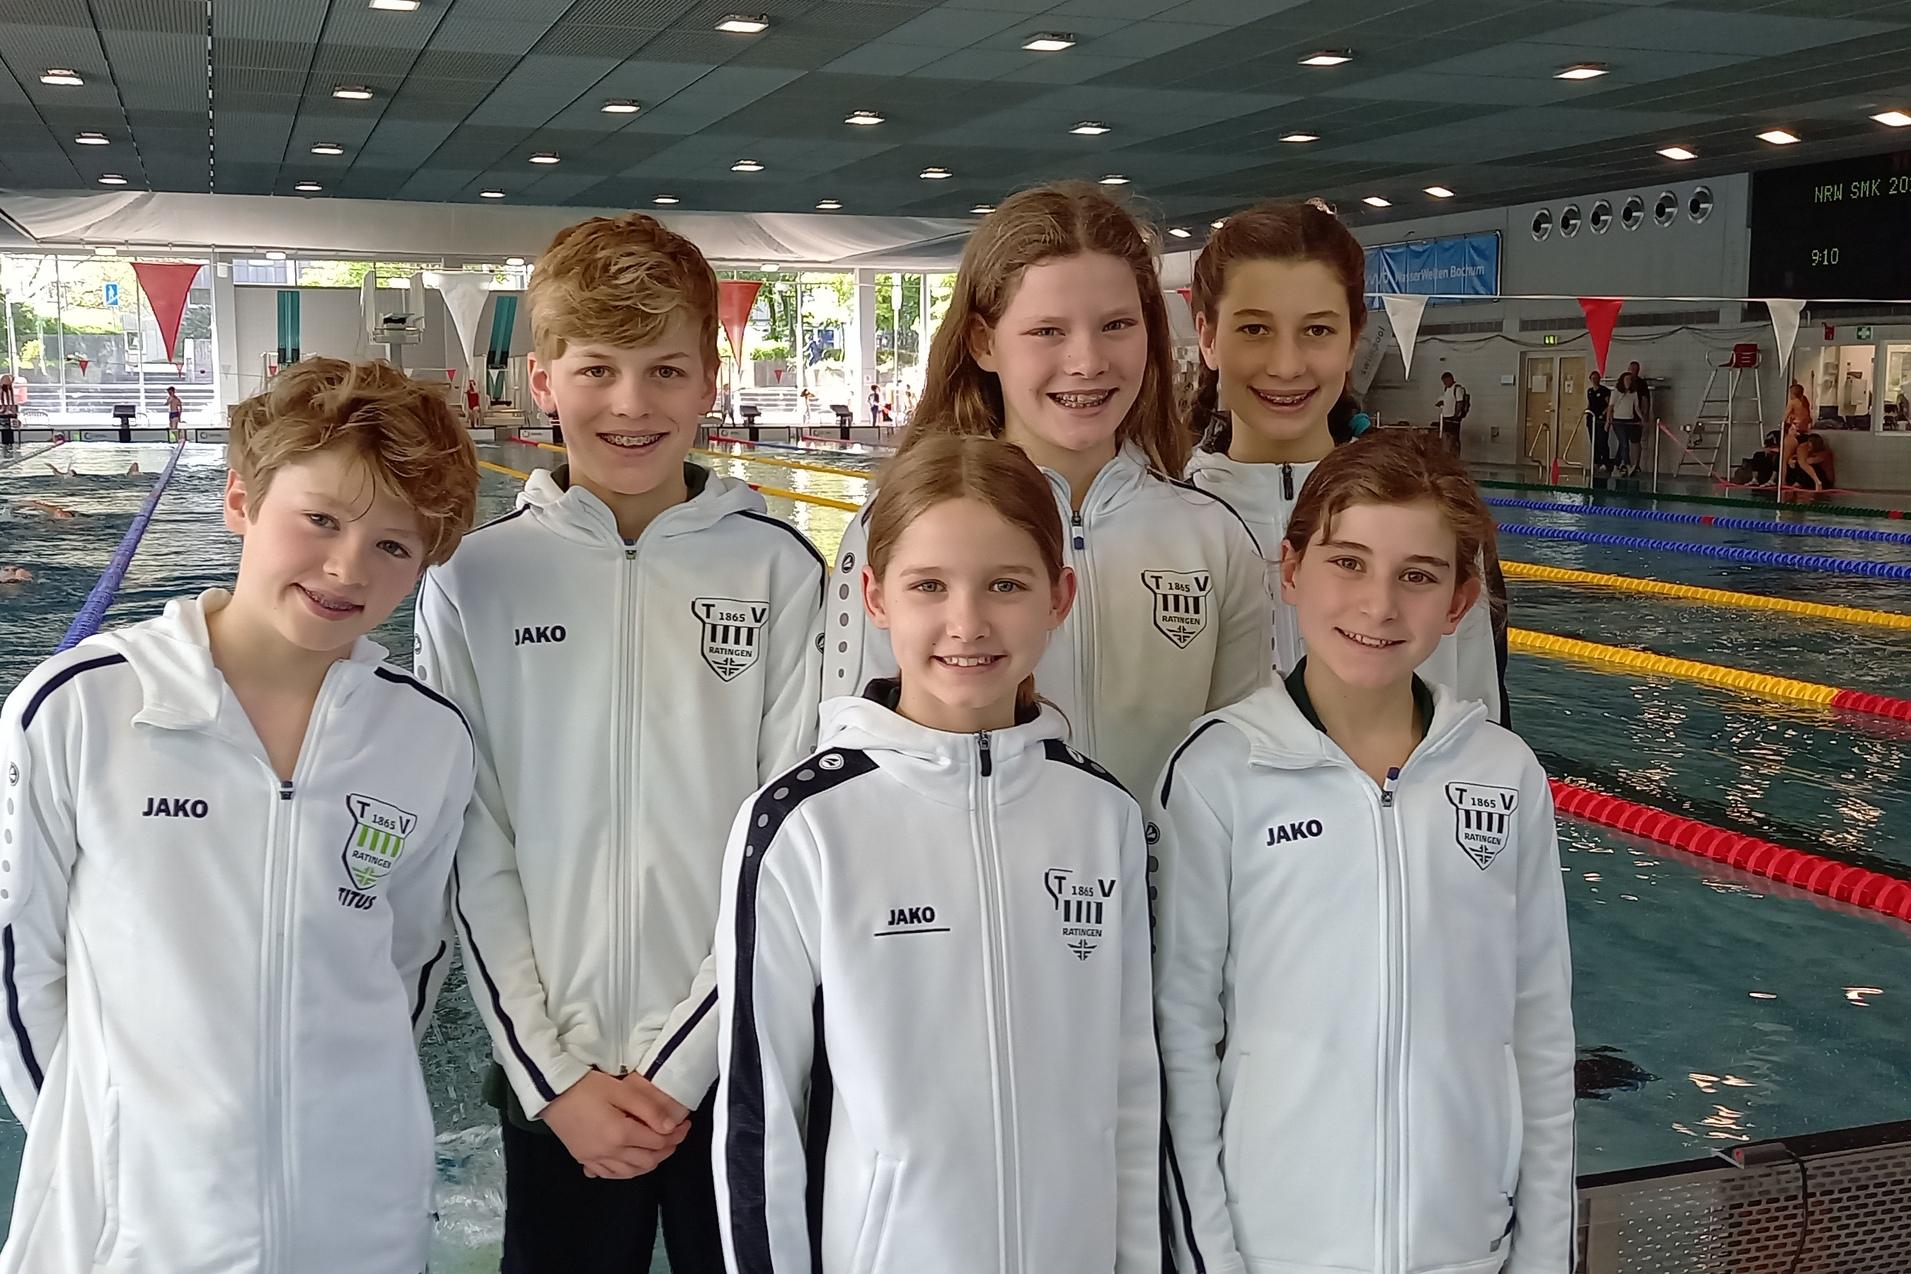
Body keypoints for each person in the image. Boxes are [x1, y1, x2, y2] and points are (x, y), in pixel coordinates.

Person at [0, 357, 481, 1272]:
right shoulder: (82, 707)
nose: (346, 567)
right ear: (240, 502)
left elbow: (408, 960)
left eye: (394, 546)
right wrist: (108, 1155)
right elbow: (18, 970)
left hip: (362, 1218)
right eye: (320, 520)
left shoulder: (426, 737)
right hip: (138, 1229)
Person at [415, 211, 825, 1274]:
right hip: (553, 1070)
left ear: (708, 381)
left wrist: (683, 1069)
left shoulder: (779, 571)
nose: (632, 404)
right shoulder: (474, 578)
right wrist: (554, 1077)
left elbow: (787, 845)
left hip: (734, 1059)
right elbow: (471, 837)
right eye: (597, 369)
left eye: (665, 370)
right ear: (542, 379)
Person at [714, 434, 1159, 1272]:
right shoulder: (805, 824)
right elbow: (758, 1113)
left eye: (1005, 585)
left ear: (1059, 597)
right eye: (928, 586)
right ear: (875, 597)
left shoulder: (1102, 816)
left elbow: (1131, 1090)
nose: (968, 623)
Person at [1153, 430, 1576, 1274]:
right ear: (1290, 570)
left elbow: (1539, 1025)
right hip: (1277, 1252)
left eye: (1416, 576)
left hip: (1464, 1247)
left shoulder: (1501, 773)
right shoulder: (1218, 773)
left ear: (1457, 603)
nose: (1378, 606)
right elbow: (1181, 1040)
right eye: (1347, 563)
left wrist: (1542, 1254)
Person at [820, 181, 1273, 799]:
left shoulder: (1211, 536)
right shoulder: (900, 527)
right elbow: (852, 763)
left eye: (1117, 325)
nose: (1087, 362)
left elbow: (1248, 767)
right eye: (1048, 331)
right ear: (983, 342)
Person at [1182, 199, 1510, 722]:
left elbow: (1483, 715)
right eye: (1254, 329)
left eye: (1317, 330)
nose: (1286, 366)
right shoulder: (1161, 524)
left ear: (1353, 340)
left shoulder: (1437, 520)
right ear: (1207, 338)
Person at [1610, 370, 1643, 476]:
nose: (1628, 382)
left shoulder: (1634, 393)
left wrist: (1642, 418)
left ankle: (1615, 467)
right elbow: (1611, 407)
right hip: (1618, 420)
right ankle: (1628, 465)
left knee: (1622, 444)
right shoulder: (1616, 392)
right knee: (1625, 444)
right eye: (1627, 379)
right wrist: (1608, 421)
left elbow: (1636, 407)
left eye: (1630, 380)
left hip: (1629, 420)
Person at [1584, 370, 1613, 475]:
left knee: (1602, 441)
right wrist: (1586, 411)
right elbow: (1590, 403)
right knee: (1594, 441)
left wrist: (1604, 414)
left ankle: (1605, 462)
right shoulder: (1589, 391)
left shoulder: (1605, 391)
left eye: (1596, 378)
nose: (1595, 380)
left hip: (1601, 419)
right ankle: (1596, 462)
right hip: (1591, 419)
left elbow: (1609, 404)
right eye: (1593, 378)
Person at [1435, 370, 1468, 452]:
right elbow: (1449, 401)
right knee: (1446, 437)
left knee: (1454, 438)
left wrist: (1456, 415)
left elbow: (1460, 402)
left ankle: (1455, 455)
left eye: (1445, 381)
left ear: (1450, 379)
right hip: (1446, 417)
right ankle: (1448, 454)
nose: (1444, 383)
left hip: (1453, 417)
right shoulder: (1447, 389)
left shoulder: (1457, 389)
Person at [0, 374, 18, 448]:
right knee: (3, 394)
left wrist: (12, 407)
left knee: (7, 394)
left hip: (5, 382)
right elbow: (3, 396)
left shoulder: (9, 385)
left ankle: (7, 408)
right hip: (4, 382)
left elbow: (10, 395)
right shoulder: (3, 384)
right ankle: (5, 408)